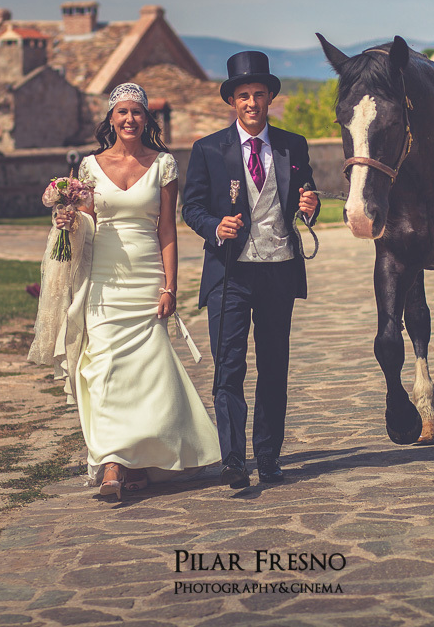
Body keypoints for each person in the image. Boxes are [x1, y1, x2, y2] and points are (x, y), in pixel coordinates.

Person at [52, 82, 220, 500]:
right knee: (103, 368)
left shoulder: (164, 165)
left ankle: (140, 460)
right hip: (104, 278)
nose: (129, 119)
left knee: (145, 374)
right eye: (122, 112)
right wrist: (68, 220)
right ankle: (112, 462)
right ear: (110, 118)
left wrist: (169, 286)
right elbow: (87, 223)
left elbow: (167, 229)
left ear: (147, 119)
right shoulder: (89, 167)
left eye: (137, 112)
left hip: (146, 277)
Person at [182, 51, 320, 488]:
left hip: (278, 270)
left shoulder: (292, 145)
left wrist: (310, 207)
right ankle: (233, 460)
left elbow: (305, 197)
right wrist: (214, 227)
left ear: (270, 98)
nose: (252, 103)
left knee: (275, 366)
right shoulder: (207, 149)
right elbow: (193, 207)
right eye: (244, 96)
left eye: (260, 95)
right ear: (233, 101)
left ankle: (268, 455)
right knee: (229, 367)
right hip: (230, 273)